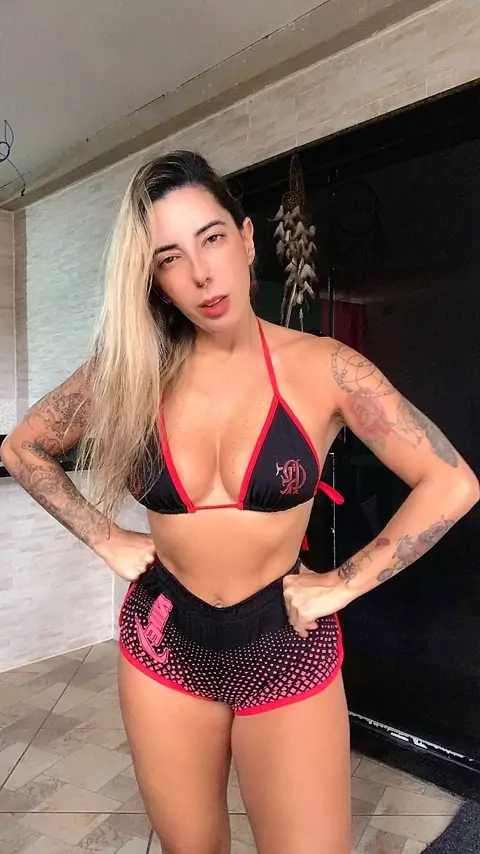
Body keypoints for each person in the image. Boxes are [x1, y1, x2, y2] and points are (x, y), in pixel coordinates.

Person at [1, 150, 478, 854]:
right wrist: (106, 537)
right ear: (153, 278)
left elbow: (452, 482)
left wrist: (344, 583)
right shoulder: (129, 372)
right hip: (165, 641)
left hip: (282, 641)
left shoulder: (326, 367)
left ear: (248, 239)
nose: (201, 273)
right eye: (169, 258)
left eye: (212, 238)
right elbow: (23, 448)